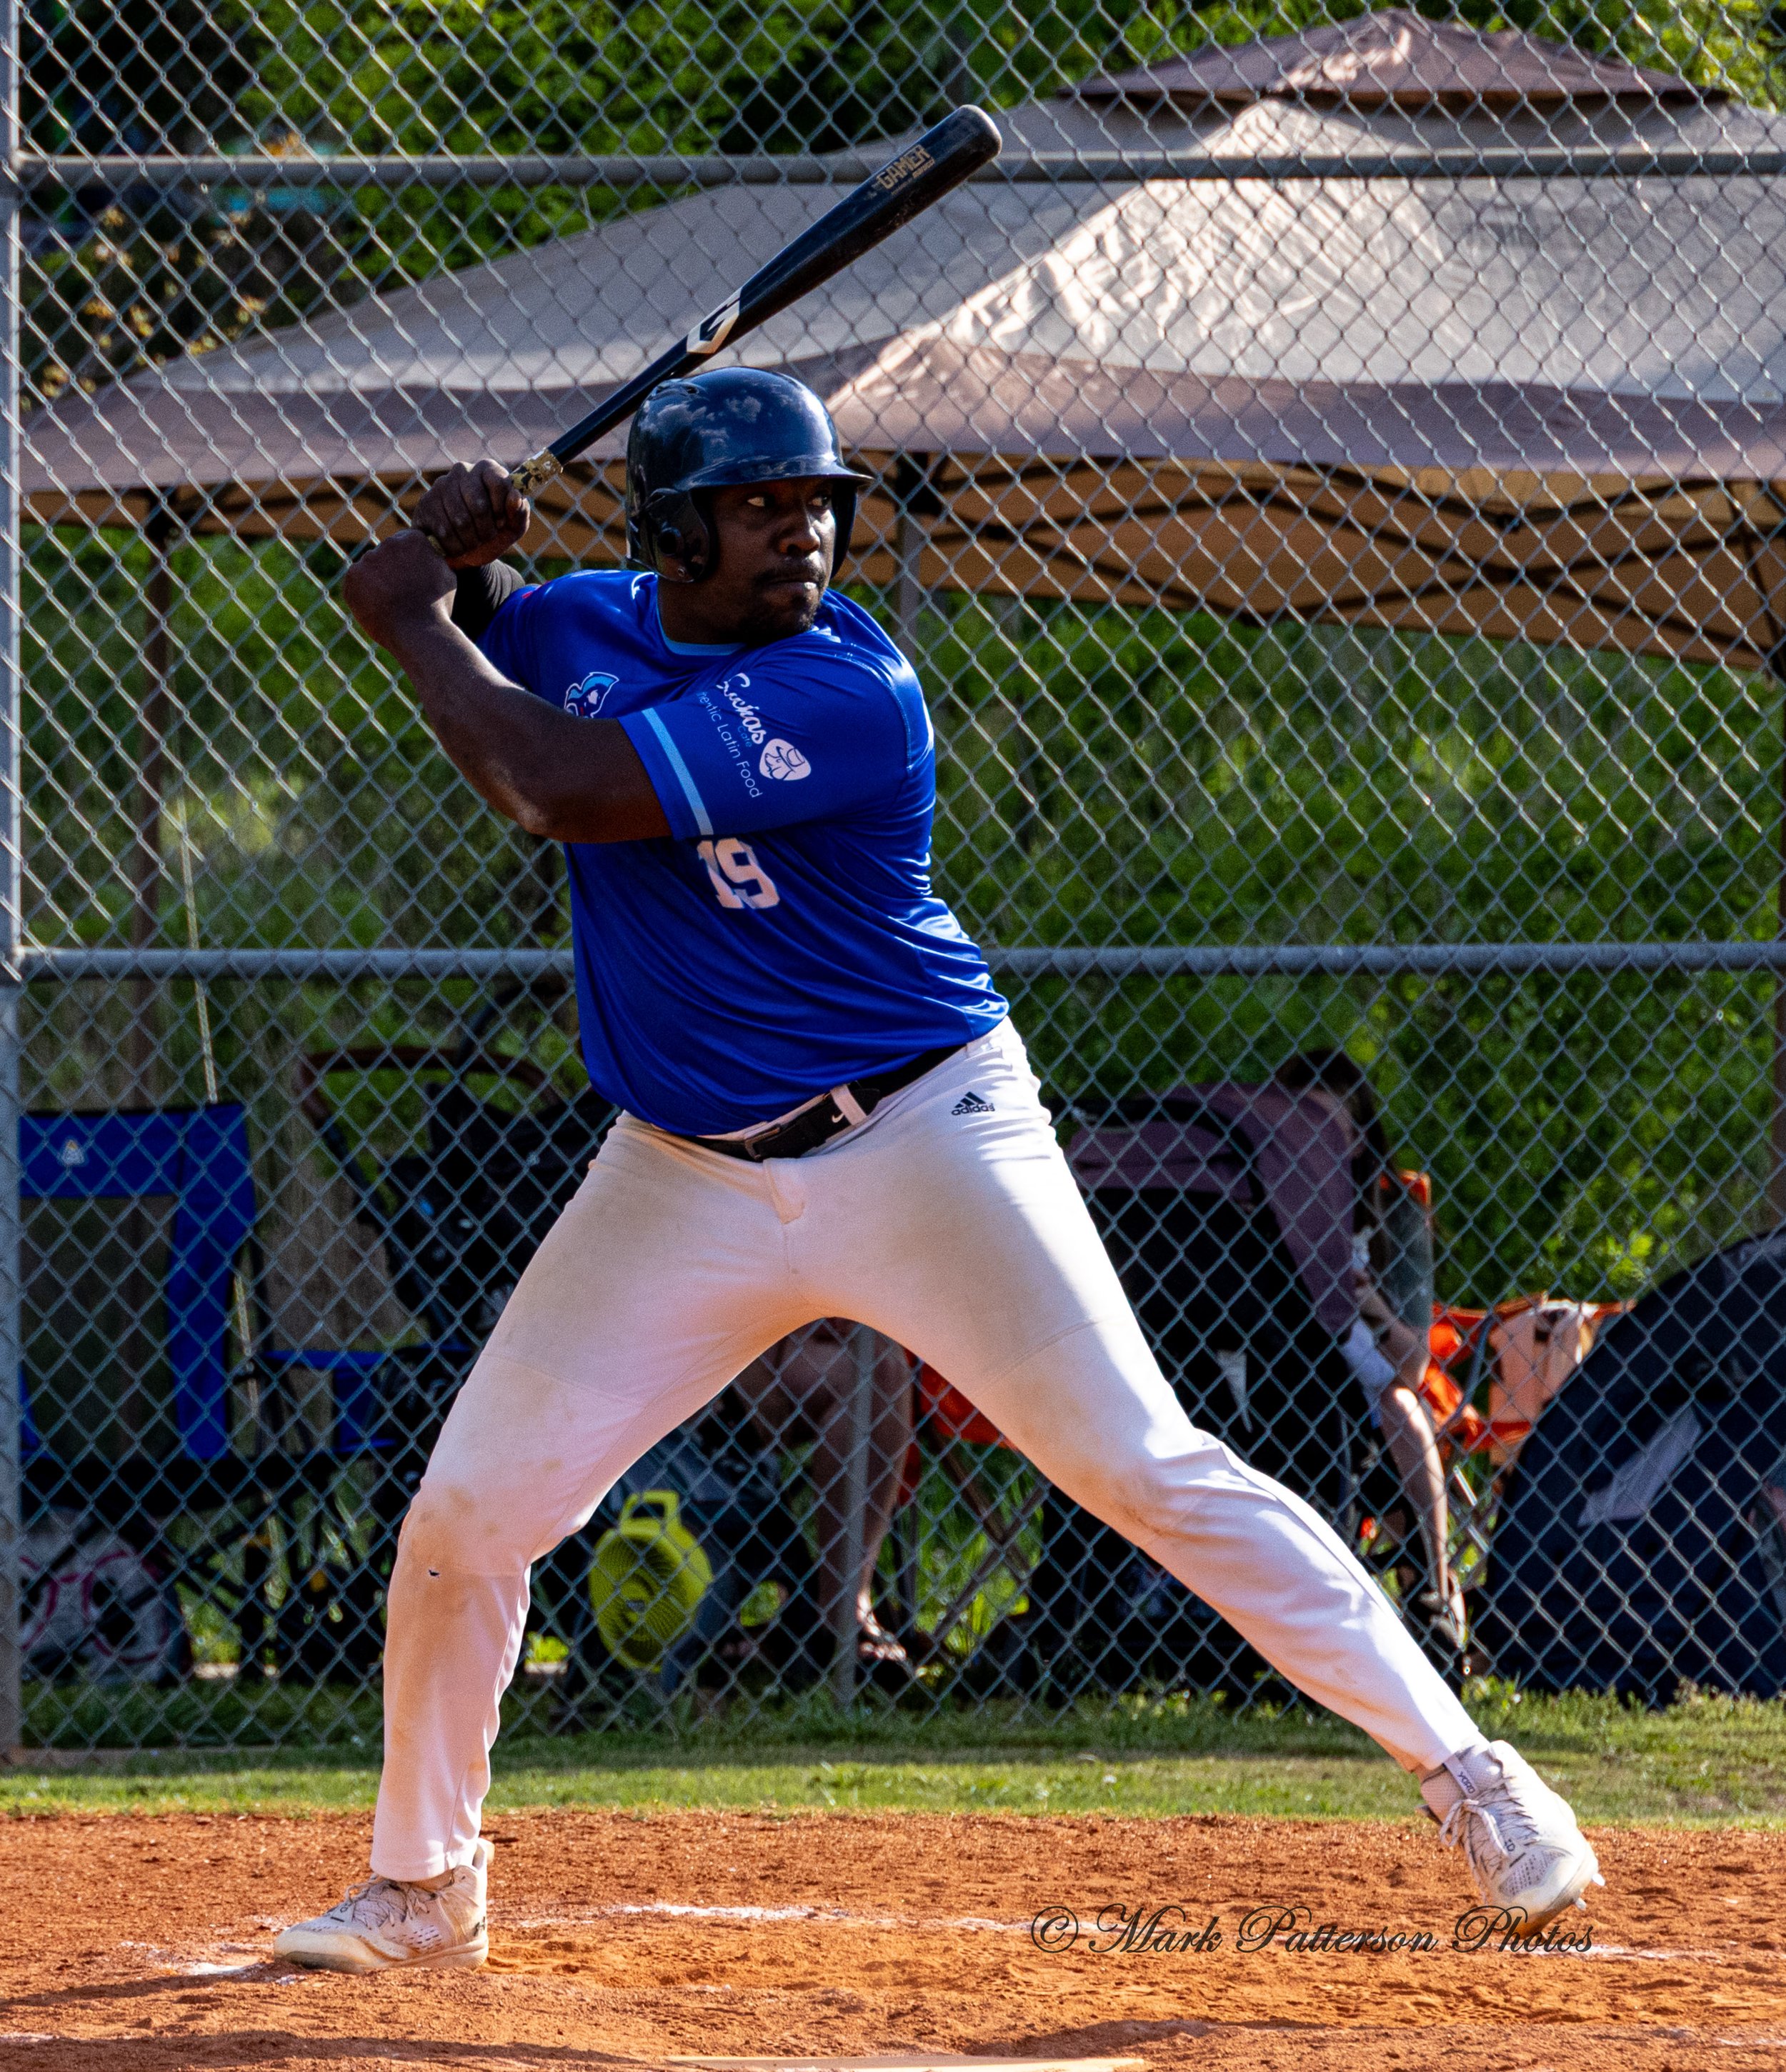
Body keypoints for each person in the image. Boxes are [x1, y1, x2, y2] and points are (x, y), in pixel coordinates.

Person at [274, 367, 1601, 1975]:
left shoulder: (850, 690)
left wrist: (406, 614)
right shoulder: (584, 620)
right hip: (677, 1173)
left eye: (816, 505)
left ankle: (1474, 1777)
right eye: (759, 508)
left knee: (1140, 1462)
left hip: (919, 1138)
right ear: (674, 531)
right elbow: (528, 646)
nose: (802, 535)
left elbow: (548, 781)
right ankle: (423, 1884)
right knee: (468, 1511)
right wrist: (463, 555)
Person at [1272, 1051, 1466, 1650]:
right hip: (1279, 1374)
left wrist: (1368, 1301)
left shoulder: (1386, 1211)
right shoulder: (1255, 1196)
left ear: (1359, 1138)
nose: (1323, 1144)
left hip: (1361, 1379)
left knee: (1406, 1408)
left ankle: (1431, 1596)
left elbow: (1411, 1367)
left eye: (1337, 1129)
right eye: (1305, 1127)